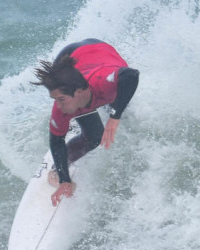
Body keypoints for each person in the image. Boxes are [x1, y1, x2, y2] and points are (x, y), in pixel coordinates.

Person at [32, 38, 139, 206]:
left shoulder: (103, 82)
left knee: (117, 101)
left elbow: (132, 75)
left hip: (102, 51)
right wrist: (64, 179)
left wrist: (114, 116)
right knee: (94, 137)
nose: (57, 106)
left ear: (80, 92)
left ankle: (95, 110)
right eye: (56, 100)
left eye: (61, 99)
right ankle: (79, 118)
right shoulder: (59, 109)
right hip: (70, 57)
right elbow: (56, 142)